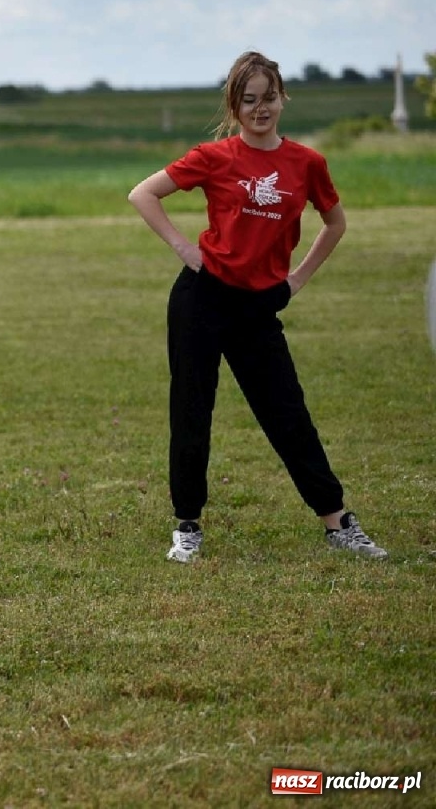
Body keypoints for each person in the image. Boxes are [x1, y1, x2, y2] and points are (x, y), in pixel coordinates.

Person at [128, 51, 386, 563]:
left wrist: (297, 281)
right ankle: (187, 526)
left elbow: (335, 223)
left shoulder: (307, 163)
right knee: (192, 410)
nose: (260, 108)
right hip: (202, 298)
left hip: (258, 305)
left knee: (287, 412)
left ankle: (337, 523)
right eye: (249, 100)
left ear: (282, 98)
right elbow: (143, 194)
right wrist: (185, 249)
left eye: (268, 98)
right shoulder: (213, 156)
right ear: (235, 105)